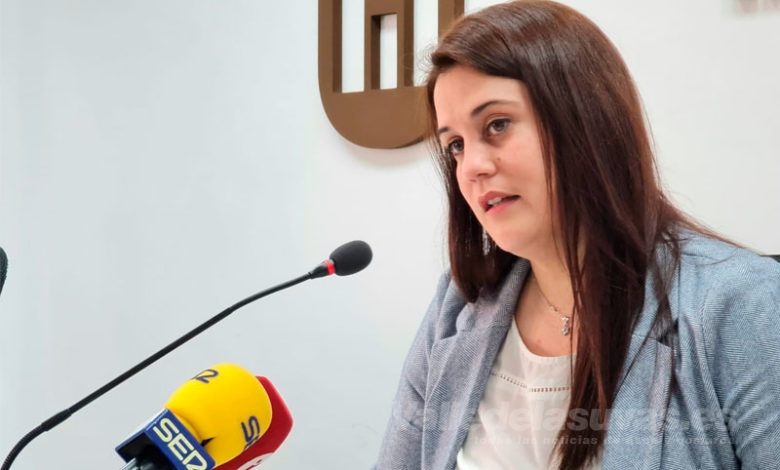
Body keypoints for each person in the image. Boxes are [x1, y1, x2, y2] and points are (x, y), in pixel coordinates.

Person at [374, 1, 780, 469]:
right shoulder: (457, 306)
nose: (471, 168)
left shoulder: (739, 303)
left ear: (585, 119)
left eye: (497, 125)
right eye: (456, 145)